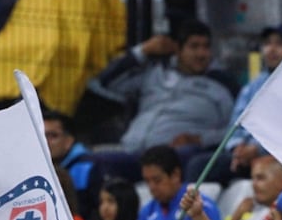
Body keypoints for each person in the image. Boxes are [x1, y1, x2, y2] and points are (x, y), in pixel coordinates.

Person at [93, 19, 236, 183]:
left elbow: (234, 130)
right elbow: (107, 83)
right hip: (132, 151)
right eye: (194, 46)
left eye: (206, 47)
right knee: (94, 162)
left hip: (175, 158)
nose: (201, 54)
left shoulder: (221, 86)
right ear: (178, 49)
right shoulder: (155, 74)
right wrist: (143, 51)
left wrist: (200, 139)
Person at [184, 23, 282, 189]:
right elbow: (236, 125)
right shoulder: (254, 85)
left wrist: (257, 150)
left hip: (278, 158)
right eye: (267, 44)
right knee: (197, 164)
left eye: (280, 44)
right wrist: (236, 148)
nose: (272, 49)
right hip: (243, 157)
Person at [43, 109, 104, 220]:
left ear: (69, 141)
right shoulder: (37, 166)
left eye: (53, 136)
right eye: (43, 135)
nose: (46, 141)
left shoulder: (87, 168)